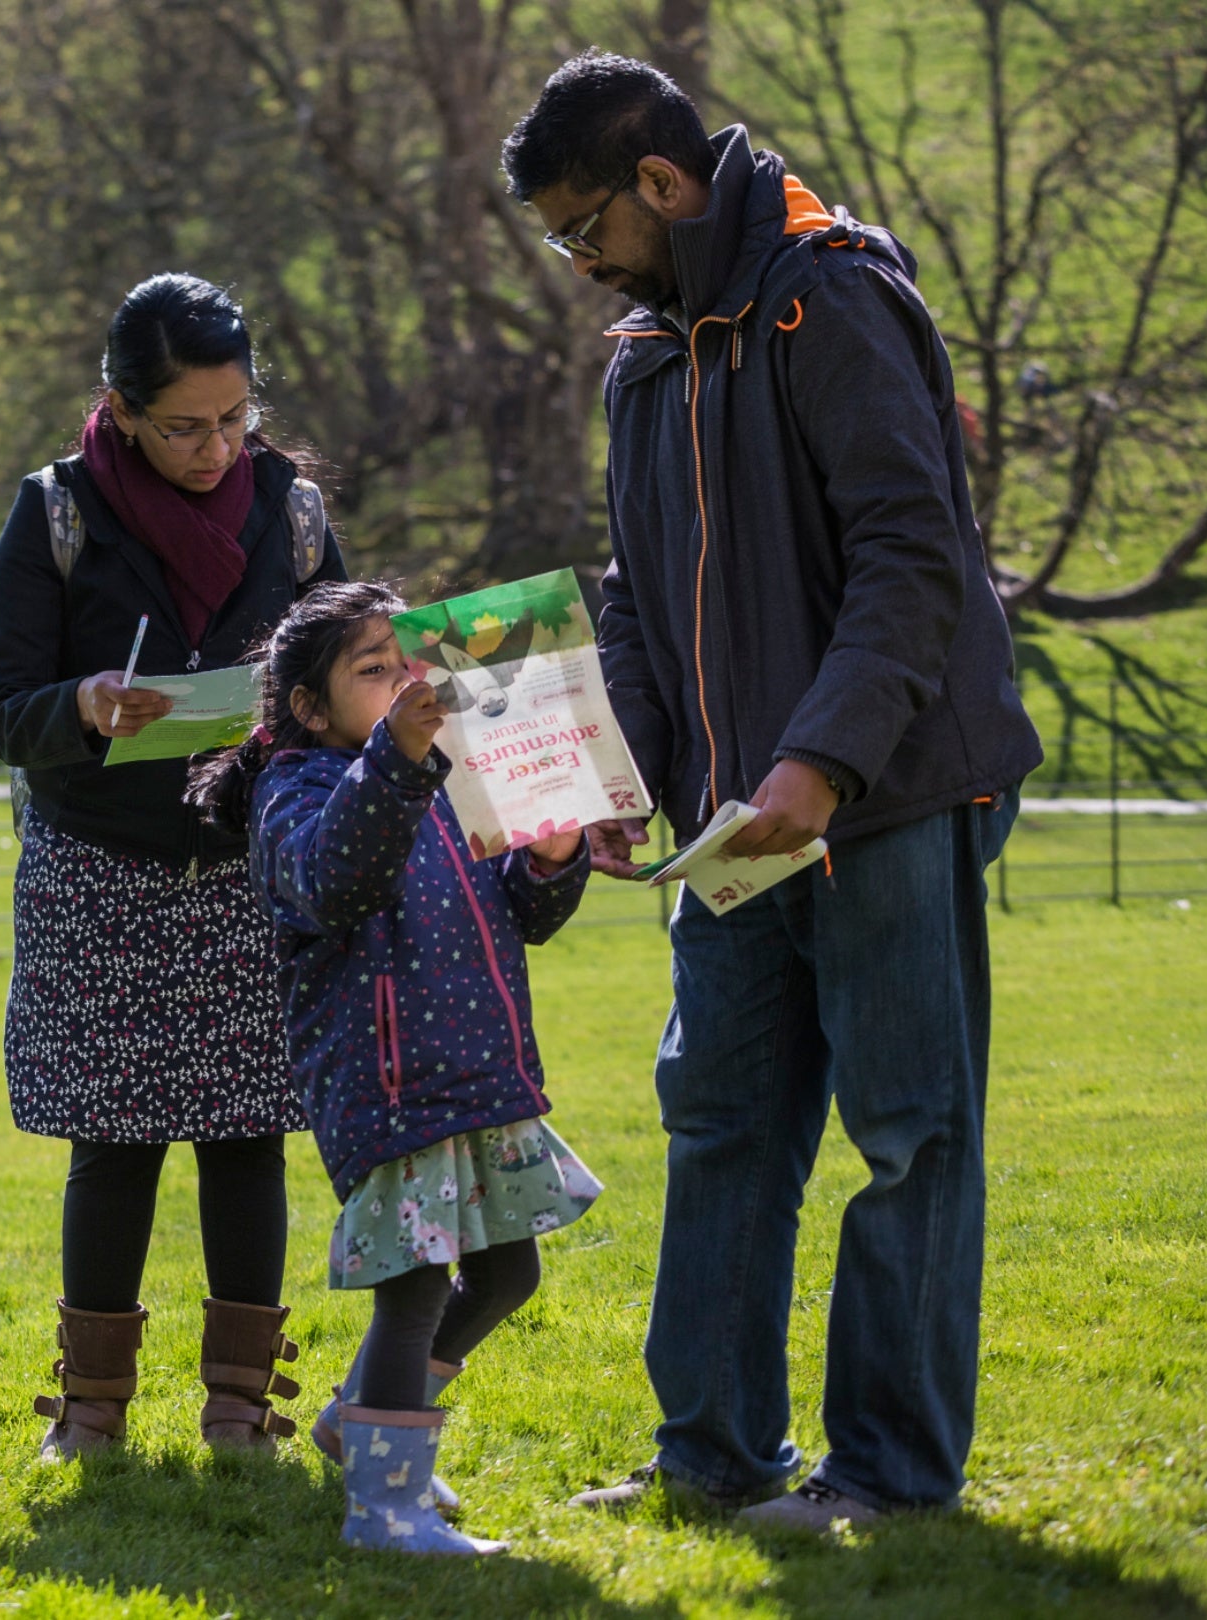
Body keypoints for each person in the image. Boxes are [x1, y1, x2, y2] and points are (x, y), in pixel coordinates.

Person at [500, 53, 1040, 1530]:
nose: (579, 262)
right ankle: (715, 1455)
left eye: (585, 228)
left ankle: (888, 1479)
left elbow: (913, 556)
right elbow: (632, 592)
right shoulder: (647, 357)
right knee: (720, 1122)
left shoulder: (833, 296)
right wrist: (624, 776)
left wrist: (822, 761)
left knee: (909, 1132)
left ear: (661, 183)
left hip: (882, 800)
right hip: (730, 831)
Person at [0, 273, 347, 1462]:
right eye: (187, 424)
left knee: (249, 1135)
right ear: (120, 408)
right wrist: (80, 704)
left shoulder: (290, 509)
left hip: (250, 864)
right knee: (113, 1141)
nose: (217, 445)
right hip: (100, 863)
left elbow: (351, 660)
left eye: (235, 418)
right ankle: (92, 1413)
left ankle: (242, 1408)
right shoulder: (58, 514)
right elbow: (0, 706)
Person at [236, 580, 598, 1556]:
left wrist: (555, 851)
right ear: (310, 708)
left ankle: (357, 1423)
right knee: (416, 1286)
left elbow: (524, 916)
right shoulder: (298, 790)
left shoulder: (454, 774)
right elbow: (334, 882)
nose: (406, 685)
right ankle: (385, 1512)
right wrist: (399, 755)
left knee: (507, 1272)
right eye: (374, 671)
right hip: (389, 1088)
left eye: (412, 662)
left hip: (478, 1074)